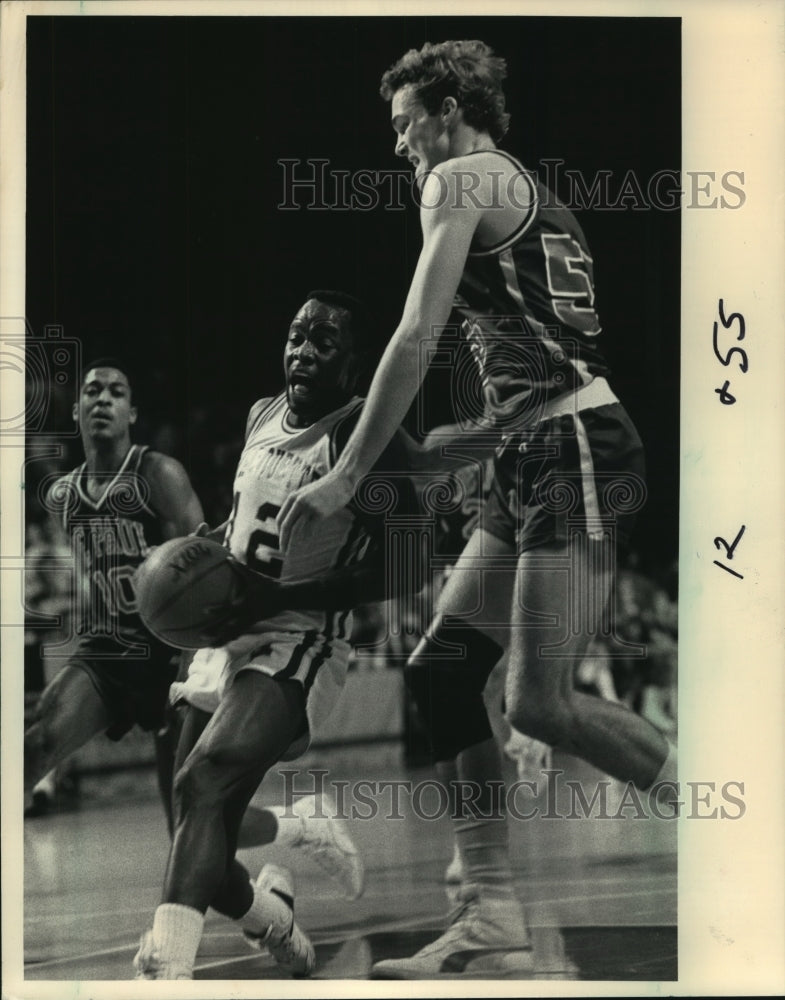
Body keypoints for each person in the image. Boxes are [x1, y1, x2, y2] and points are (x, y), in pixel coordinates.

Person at [277, 41, 678, 977]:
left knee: (537, 701)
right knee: (445, 672)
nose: (400, 146)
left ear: (448, 109)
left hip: (573, 444)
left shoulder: (458, 178)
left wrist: (344, 479)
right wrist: (453, 452)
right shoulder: (523, 190)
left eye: (405, 124)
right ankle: (490, 910)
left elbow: (416, 336)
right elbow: (532, 367)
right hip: (535, 443)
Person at [133, 290, 416, 980]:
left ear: (357, 366)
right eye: (296, 335)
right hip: (227, 630)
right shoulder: (262, 414)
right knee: (197, 831)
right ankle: (276, 920)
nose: (303, 350)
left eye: (324, 342)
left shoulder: (364, 437)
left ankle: (164, 969)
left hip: (298, 636)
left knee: (205, 782)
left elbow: (408, 564)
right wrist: (200, 557)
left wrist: (281, 593)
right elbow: (242, 524)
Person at [24, 360, 204, 831]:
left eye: (116, 392)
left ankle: (300, 825)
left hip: (170, 651)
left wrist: (191, 664)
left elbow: (207, 569)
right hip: (108, 651)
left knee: (186, 822)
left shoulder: (158, 473)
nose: (103, 398)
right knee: (38, 742)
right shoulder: (63, 496)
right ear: (77, 412)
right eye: (92, 390)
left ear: (132, 413)